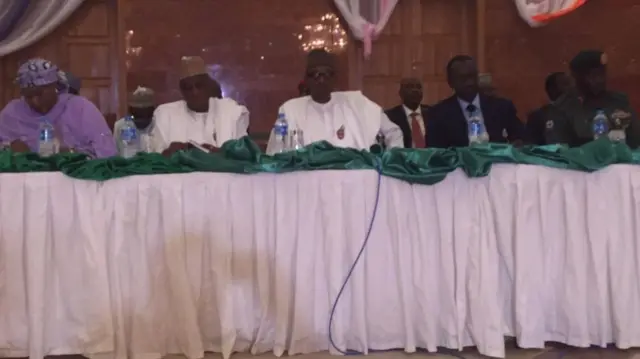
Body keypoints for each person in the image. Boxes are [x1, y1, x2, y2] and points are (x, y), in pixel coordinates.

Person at [266, 49, 403, 154]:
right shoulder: (290, 110)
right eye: (315, 74)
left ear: (335, 79)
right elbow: (273, 154)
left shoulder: (356, 103)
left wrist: (390, 164)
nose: (321, 80)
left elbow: (394, 132)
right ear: (306, 80)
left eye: (327, 74)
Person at [0, 58, 116, 158]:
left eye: (40, 94)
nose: (35, 101)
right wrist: (11, 151)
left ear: (54, 87)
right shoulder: (12, 113)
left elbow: (107, 154)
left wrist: (71, 153)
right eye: (29, 96)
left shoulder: (80, 108)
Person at [151, 56, 249, 155]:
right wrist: (172, 151)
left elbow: (243, 154)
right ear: (182, 91)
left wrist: (218, 153)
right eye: (188, 88)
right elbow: (156, 157)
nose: (195, 92)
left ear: (208, 86)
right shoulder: (165, 114)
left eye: (199, 85)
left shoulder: (230, 111)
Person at [544, 50, 640, 148]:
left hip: (619, 161)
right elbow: (558, 149)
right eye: (594, 75)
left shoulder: (618, 101)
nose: (600, 80)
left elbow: (636, 141)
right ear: (577, 77)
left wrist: (626, 126)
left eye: (602, 74)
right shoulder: (563, 107)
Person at [427, 55, 525, 148]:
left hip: (498, 163)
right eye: (463, 78)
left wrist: (517, 144)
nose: (470, 82)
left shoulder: (502, 107)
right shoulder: (438, 114)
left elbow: (521, 137)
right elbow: (436, 151)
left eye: (472, 76)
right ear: (450, 82)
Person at [526, 72, 572, 145]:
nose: (571, 88)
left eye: (571, 84)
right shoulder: (537, 116)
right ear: (552, 90)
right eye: (565, 84)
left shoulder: (581, 112)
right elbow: (532, 146)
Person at [384, 78, 430, 148]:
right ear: (400, 93)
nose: (415, 90)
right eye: (409, 87)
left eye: (418, 87)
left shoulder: (432, 113)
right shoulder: (390, 117)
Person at [114, 86, 156, 152]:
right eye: (137, 111)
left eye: (145, 110)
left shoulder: (159, 125)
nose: (141, 114)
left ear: (152, 110)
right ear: (130, 110)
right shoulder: (121, 125)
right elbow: (115, 152)